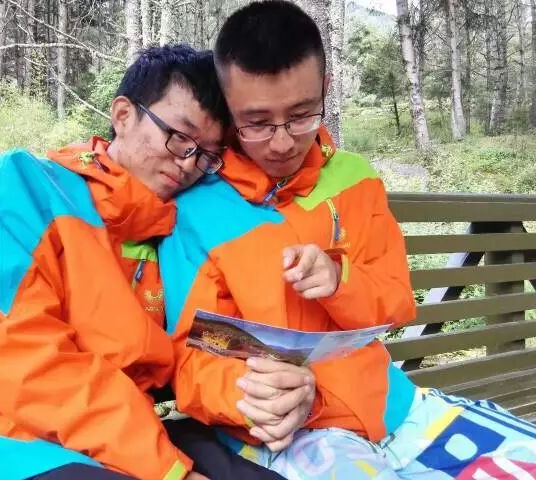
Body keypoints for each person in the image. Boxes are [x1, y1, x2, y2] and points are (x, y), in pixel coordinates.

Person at [159, 3, 536, 479]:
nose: (281, 142)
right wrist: (253, 397)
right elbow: (192, 355)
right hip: (290, 433)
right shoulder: (196, 212)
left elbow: (396, 300)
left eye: (301, 115)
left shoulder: (355, 179)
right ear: (227, 107)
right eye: (256, 123)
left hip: (392, 405)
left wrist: (341, 281)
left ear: (326, 88)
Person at [0, 45, 285, 480]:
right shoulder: (25, 187)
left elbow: (194, 349)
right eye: (180, 137)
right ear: (123, 115)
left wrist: (252, 397)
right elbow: (24, 357)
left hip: (119, 432)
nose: (189, 163)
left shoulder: (177, 225)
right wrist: (169, 470)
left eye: (207, 155)